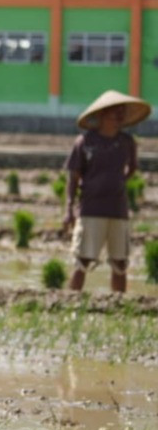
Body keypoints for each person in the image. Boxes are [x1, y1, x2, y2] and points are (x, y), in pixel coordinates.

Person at [64, 90, 148, 293]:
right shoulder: (85, 142)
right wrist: (69, 209)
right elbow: (73, 177)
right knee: (82, 259)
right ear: (101, 116)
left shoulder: (127, 142)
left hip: (117, 209)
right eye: (115, 113)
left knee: (120, 262)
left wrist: (119, 181)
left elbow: (133, 167)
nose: (119, 118)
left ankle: (118, 304)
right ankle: (70, 300)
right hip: (91, 208)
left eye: (121, 114)